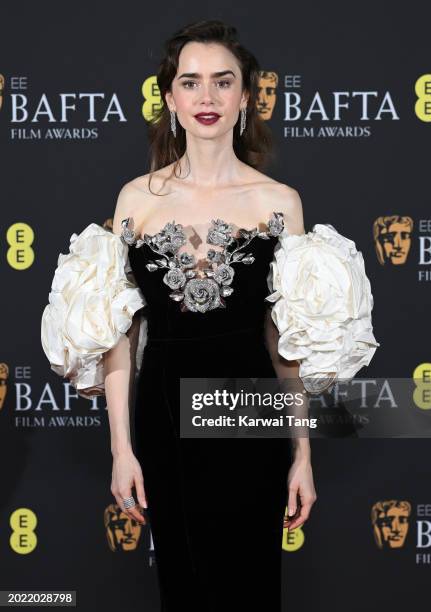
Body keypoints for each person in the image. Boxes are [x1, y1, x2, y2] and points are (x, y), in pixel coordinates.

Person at [41, 19, 379, 612]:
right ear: (169, 98)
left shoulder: (280, 203)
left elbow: (286, 344)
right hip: (164, 412)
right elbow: (119, 335)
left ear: (245, 97)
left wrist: (301, 453)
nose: (207, 98)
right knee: (184, 582)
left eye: (223, 83)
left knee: (250, 585)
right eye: (191, 83)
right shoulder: (136, 200)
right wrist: (121, 449)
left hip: (250, 412)